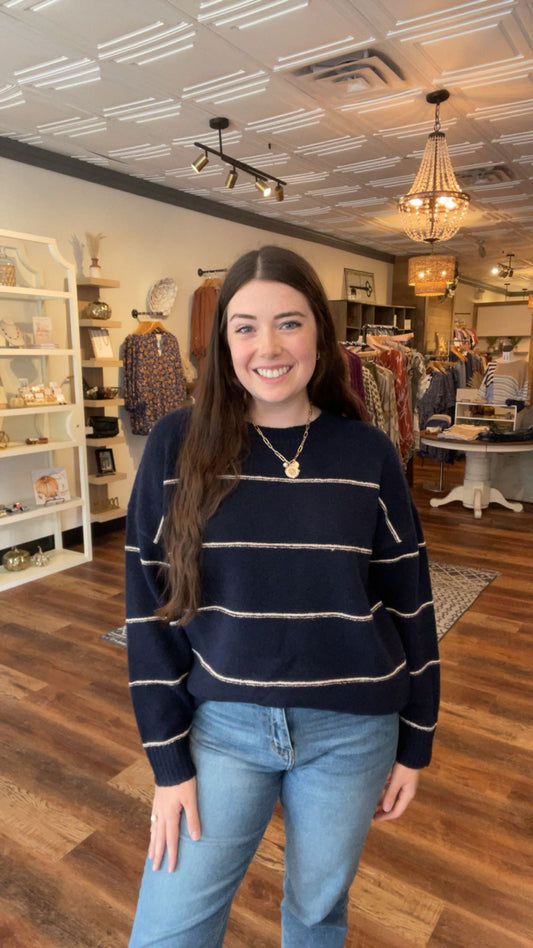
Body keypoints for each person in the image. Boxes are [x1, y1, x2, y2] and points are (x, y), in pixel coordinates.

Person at [125, 245, 440, 947]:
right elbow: (150, 610)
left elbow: (409, 602)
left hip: (351, 732)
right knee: (166, 931)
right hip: (223, 731)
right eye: (244, 326)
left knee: (316, 916)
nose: (267, 346)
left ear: (320, 338)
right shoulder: (178, 445)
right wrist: (167, 763)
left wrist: (415, 743)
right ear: (222, 341)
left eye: (289, 323)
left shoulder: (365, 453)